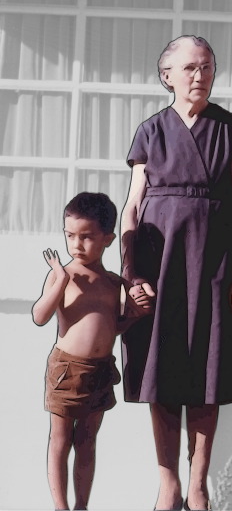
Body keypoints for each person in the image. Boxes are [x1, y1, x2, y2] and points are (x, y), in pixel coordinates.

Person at [120, 35, 232, 511]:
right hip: (160, 262)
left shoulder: (230, 129)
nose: (200, 76)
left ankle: (198, 483)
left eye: (207, 67)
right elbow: (133, 206)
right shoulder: (150, 132)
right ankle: (168, 483)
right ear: (168, 76)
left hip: (216, 262)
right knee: (159, 368)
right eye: (190, 68)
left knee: (208, 369)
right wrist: (130, 271)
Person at [31, 192, 153, 510]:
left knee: (87, 441)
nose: (76, 245)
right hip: (66, 370)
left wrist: (134, 316)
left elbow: (112, 328)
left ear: (108, 239)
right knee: (60, 440)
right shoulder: (64, 276)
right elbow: (40, 316)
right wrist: (59, 279)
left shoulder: (113, 283)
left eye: (87, 237)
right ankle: (61, 506)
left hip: (100, 370)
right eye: (70, 235)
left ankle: (82, 505)